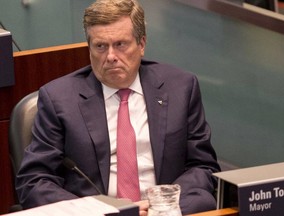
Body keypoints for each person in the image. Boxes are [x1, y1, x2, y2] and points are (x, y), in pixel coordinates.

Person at [15, 0, 221, 215]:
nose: (111, 57)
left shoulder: (180, 88)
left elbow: (203, 167)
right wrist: (97, 211)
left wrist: (162, 207)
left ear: (141, 44)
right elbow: (34, 181)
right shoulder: (59, 99)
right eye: (101, 46)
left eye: (121, 44)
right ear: (90, 48)